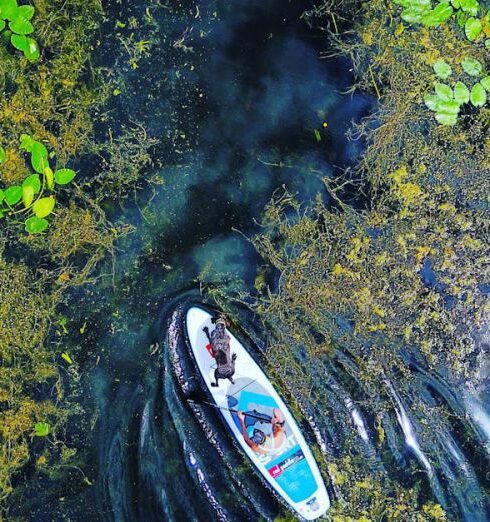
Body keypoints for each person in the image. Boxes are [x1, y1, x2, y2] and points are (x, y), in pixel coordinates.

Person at [203, 315, 237, 387]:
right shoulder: (224, 338)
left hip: (222, 372)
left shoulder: (217, 341)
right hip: (229, 372)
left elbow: (212, 342)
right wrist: (233, 359)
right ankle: (229, 378)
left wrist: (207, 333)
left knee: (216, 347)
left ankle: (218, 382)